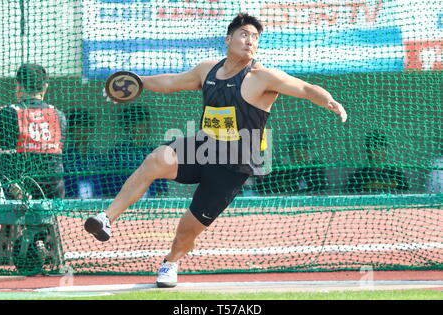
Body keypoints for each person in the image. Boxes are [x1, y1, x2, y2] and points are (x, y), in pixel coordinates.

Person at [84, 13, 347, 288]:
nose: (250, 41)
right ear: (228, 39)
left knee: (188, 228)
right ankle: (106, 218)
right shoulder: (207, 69)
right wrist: (137, 81)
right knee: (155, 159)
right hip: (203, 147)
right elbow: (172, 82)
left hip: (233, 165)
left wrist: (329, 101)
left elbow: (305, 88)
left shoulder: (262, 77)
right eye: (244, 34)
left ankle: (171, 261)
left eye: (255, 38)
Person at [0, 64, 67, 262]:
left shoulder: (7, 113)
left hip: (17, 189)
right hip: (53, 190)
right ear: (45, 87)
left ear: (18, 86)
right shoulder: (59, 115)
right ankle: (44, 241)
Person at [103, 107, 168, 197]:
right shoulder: (117, 153)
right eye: (137, 122)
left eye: (144, 122)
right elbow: (109, 187)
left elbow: (162, 189)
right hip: (124, 203)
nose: (142, 126)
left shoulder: (154, 152)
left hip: (150, 204)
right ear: (127, 126)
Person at [255, 130, 327, 194]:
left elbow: (320, 186)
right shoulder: (281, 167)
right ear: (291, 151)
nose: (300, 154)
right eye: (296, 150)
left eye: (303, 150)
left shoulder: (315, 167)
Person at [63, 110, 105, 199]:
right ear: (71, 130)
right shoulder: (64, 158)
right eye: (78, 127)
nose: (82, 131)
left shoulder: (97, 158)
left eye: (85, 126)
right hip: (71, 205)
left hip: (97, 204)